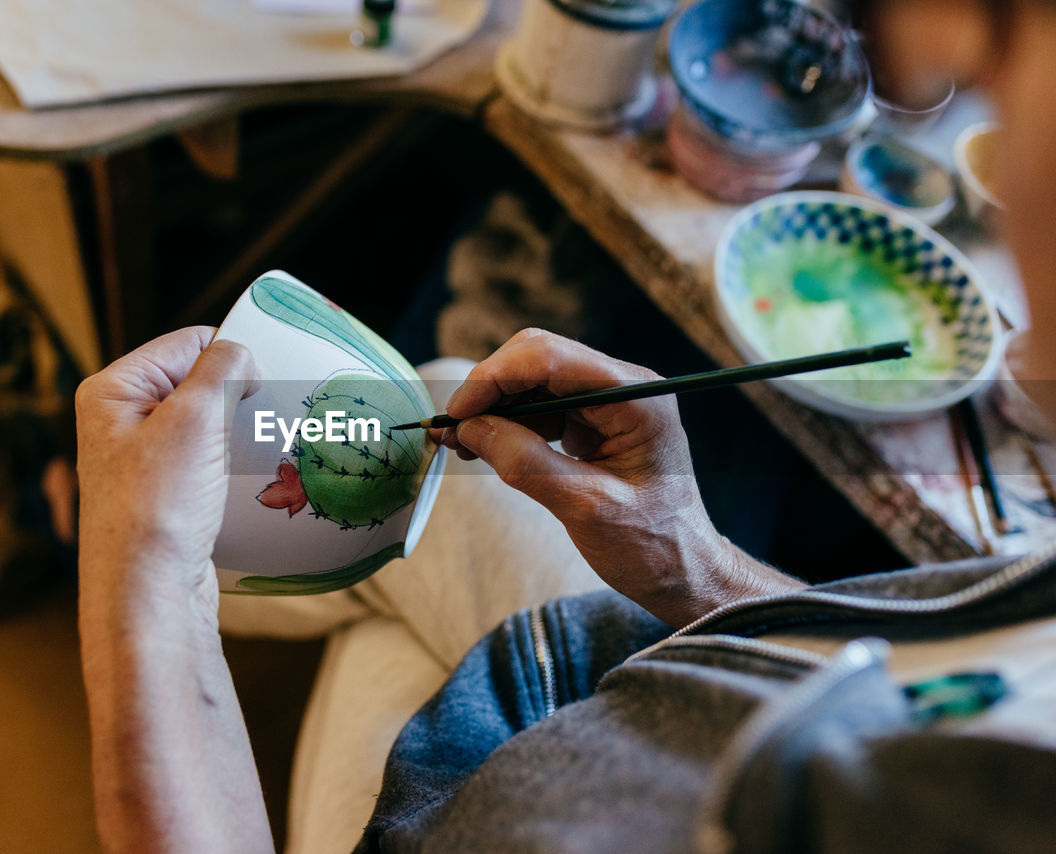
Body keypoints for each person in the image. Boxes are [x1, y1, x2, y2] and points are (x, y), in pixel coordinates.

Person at [75, 1, 1056, 851]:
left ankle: (86, 524)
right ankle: (117, 526)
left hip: (479, 790)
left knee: (329, 555)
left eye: (1002, 73)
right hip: (573, 691)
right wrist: (698, 567)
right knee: (438, 412)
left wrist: (142, 596)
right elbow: (910, 679)